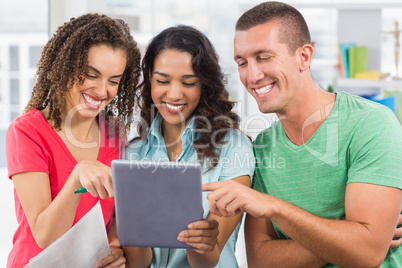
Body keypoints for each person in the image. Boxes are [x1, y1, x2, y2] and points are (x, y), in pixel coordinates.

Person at [203, 1, 402, 267]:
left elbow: (366, 255)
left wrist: (273, 206)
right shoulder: (262, 147)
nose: (252, 75)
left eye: (264, 57)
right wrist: (349, 238)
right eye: (242, 62)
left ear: (304, 57)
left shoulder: (371, 124)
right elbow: (261, 260)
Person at [5, 13, 141, 268]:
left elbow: (115, 215)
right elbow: (45, 235)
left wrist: (113, 248)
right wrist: (77, 176)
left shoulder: (115, 133)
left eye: (113, 81)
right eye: (91, 75)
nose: (102, 91)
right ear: (65, 65)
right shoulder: (27, 132)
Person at [123, 25, 255, 268]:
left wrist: (203, 241)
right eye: (162, 80)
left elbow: (207, 260)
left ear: (204, 84)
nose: (174, 94)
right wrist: (131, 228)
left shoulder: (233, 148)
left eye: (189, 82)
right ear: (150, 79)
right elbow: (138, 262)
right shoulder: (133, 152)